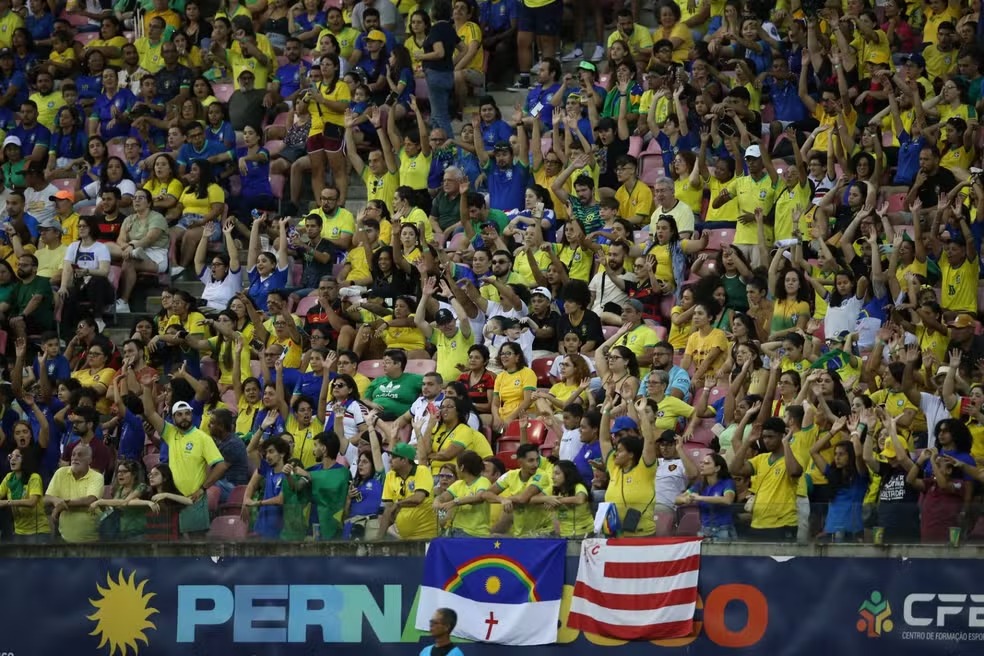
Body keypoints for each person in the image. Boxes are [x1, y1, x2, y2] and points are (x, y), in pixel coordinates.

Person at [140, 385, 228, 499]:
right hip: (174, 497)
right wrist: (147, 387)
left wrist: (203, 489)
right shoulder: (170, 433)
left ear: (191, 415)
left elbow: (221, 466)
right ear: (173, 417)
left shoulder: (203, 438)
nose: (184, 417)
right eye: (179, 414)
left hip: (194, 500)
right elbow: (150, 413)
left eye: (187, 413)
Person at [377, 441, 438, 540]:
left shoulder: (422, 471)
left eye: (394, 457)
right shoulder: (390, 476)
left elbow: (418, 498)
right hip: (402, 538)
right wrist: (379, 539)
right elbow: (388, 509)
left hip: (426, 536)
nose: (389, 461)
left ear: (404, 460)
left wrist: (398, 504)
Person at [44, 444, 103, 543]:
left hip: (92, 541)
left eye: (80, 455)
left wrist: (61, 506)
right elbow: (46, 499)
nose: (75, 458)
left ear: (89, 460)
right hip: (63, 539)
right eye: (73, 455)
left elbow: (89, 500)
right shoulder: (60, 473)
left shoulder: (97, 477)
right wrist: (55, 500)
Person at [676, 452, 736, 542]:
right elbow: (677, 499)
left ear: (717, 468)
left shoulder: (727, 483)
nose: (702, 465)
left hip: (723, 530)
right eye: (701, 463)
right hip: (704, 530)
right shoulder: (699, 485)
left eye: (707, 463)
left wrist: (700, 498)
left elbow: (728, 500)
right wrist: (685, 499)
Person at [432, 450, 491, 537]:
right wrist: (437, 501)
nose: (456, 468)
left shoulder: (483, 481)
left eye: (456, 465)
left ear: (462, 467)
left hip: (476, 535)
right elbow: (444, 497)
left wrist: (454, 502)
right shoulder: (458, 484)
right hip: (456, 532)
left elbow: (479, 497)